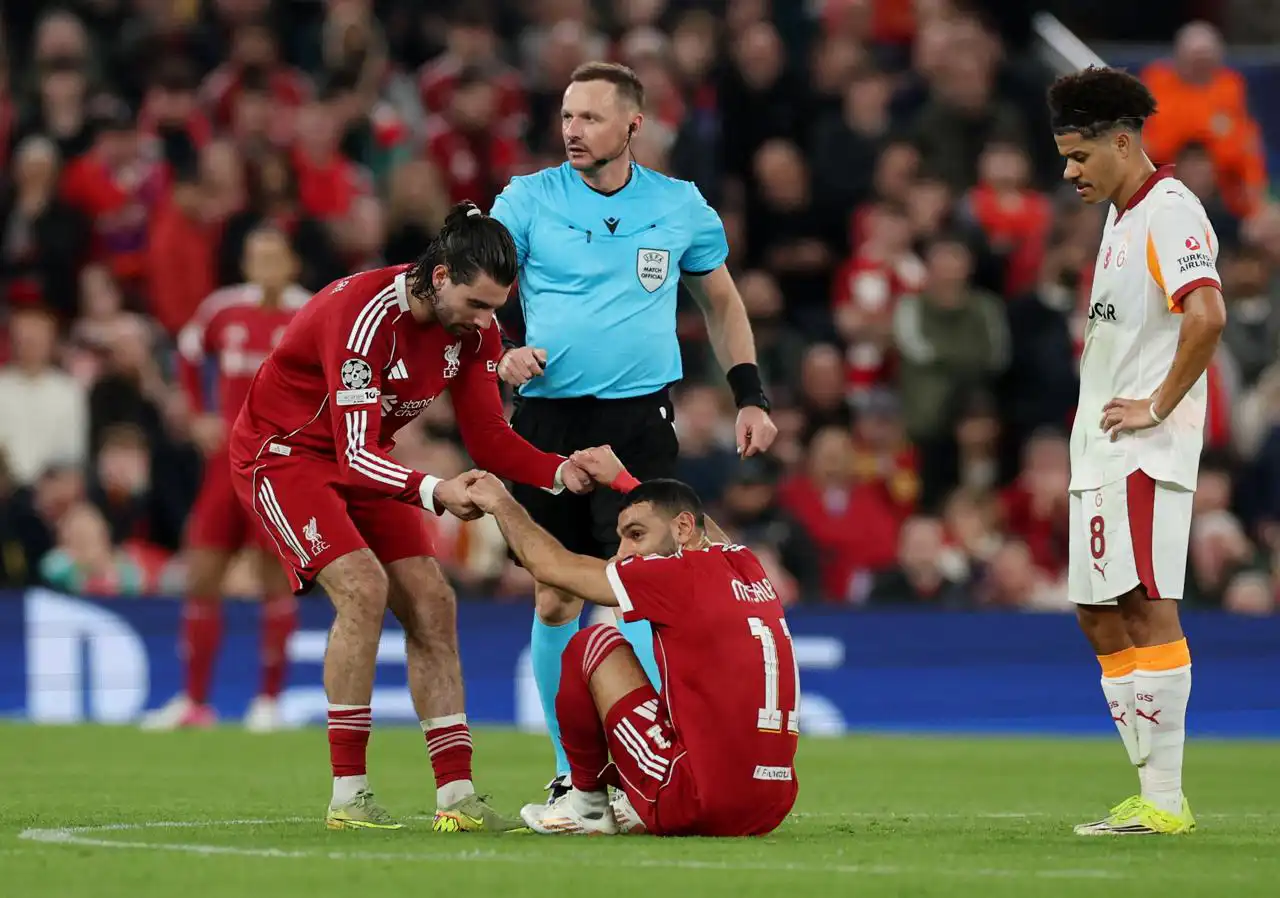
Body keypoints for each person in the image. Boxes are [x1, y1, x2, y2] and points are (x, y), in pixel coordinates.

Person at [227, 201, 594, 832]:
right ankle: (349, 796)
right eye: (477, 305)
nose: (487, 323)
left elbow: (487, 436)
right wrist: (435, 491)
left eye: (496, 310)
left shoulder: (473, 331)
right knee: (363, 589)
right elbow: (353, 453)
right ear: (441, 276)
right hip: (283, 457)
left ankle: (457, 797)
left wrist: (561, 472)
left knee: (433, 601)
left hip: (366, 458)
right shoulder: (364, 316)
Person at [489, 60, 778, 802]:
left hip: (639, 421)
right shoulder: (526, 199)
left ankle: (653, 762)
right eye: (566, 116)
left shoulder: (679, 205)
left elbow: (721, 301)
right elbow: (473, 290)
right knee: (556, 596)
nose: (573, 130)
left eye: (590, 117)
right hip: (547, 421)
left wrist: (749, 396)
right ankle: (573, 776)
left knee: (645, 591)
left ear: (633, 126)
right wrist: (502, 351)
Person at [1048, 66, 1226, 836]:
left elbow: (1207, 315)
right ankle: (1152, 790)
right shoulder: (1123, 217)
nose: (1069, 172)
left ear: (1122, 143)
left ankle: (1164, 800)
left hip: (1143, 450)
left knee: (1146, 604)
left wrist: (1157, 405)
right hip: (1100, 450)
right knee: (1098, 612)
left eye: (1080, 156)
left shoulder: (1169, 209)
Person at [466, 446, 799, 837]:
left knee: (592, 644)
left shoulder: (672, 576)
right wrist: (624, 481)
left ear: (682, 529)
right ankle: (633, 793)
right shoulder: (746, 565)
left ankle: (585, 804)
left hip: (700, 801)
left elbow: (550, 567)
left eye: (636, 535)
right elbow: (706, 532)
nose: (623, 553)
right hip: (772, 803)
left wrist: (501, 503)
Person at [142, 226, 310, 732]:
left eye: (274, 256)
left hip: (277, 466)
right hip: (225, 464)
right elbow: (189, 353)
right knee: (202, 574)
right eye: (257, 256)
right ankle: (194, 701)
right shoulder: (223, 309)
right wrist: (198, 414)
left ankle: (268, 702)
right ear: (245, 264)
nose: (265, 266)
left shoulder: (309, 311)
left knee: (273, 578)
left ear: (291, 263)